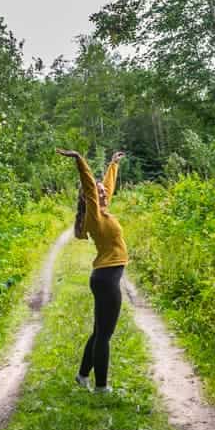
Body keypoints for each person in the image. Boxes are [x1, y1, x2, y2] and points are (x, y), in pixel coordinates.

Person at [56, 148, 127, 394]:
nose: (103, 192)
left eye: (102, 191)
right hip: (107, 279)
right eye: (97, 193)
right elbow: (89, 187)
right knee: (104, 336)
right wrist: (79, 160)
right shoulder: (94, 216)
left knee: (99, 331)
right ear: (90, 200)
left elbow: (106, 187)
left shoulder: (103, 212)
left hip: (104, 277)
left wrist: (113, 165)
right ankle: (101, 387)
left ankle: (82, 375)